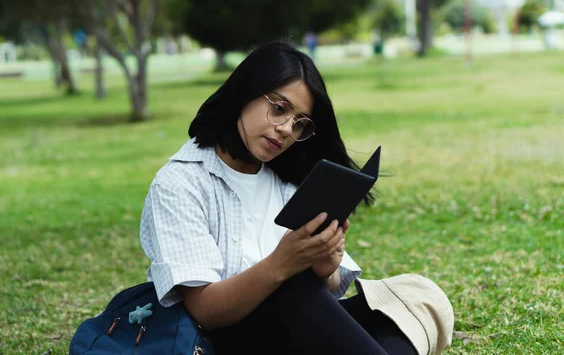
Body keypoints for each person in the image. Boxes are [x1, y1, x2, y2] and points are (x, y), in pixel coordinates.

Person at [140, 41, 448, 354]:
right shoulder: (180, 183)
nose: (287, 129)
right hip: (217, 343)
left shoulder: (287, 178)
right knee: (291, 286)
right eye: (279, 109)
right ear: (244, 93)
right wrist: (281, 265)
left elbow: (325, 296)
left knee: (414, 299)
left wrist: (324, 268)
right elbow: (204, 313)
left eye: (300, 123)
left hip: (293, 331)